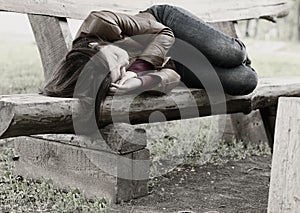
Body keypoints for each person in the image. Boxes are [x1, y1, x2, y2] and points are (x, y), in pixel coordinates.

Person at [42, 4, 258, 124]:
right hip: (174, 61)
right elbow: (173, 77)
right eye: (120, 71)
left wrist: (139, 69)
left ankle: (239, 53)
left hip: (165, 25)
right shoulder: (105, 78)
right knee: (245, 81)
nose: (124, 62)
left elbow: (164, 33)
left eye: (116, 58)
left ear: (95, 46)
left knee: (230, 54)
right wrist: (140, 83)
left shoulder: (101, 23)